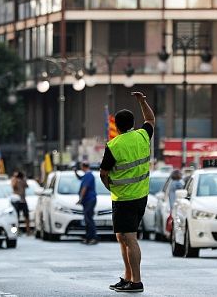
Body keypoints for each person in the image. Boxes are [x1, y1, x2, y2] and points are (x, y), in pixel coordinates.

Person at [100, 91, 154, 293]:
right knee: (122, 237)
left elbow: (104, 173)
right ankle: (128, 277)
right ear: (132, 123)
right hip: (141, 196)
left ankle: (136, 281)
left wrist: (110, 187)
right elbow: (149, 119)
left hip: (124, 199)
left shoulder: (114, 145)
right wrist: (142, 101)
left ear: (117, 126)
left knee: (129, 239)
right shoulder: (142, 135)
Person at [78, 161, 98, 245]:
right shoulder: (87, 175)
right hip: (88, 200)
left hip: (89, 200)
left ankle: (93, 237)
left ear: (83, 167)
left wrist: (80, 198)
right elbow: (80, 178)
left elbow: (84, 188)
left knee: (89, 219)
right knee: (87, 219)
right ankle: (88, 237)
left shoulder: (88, 175)